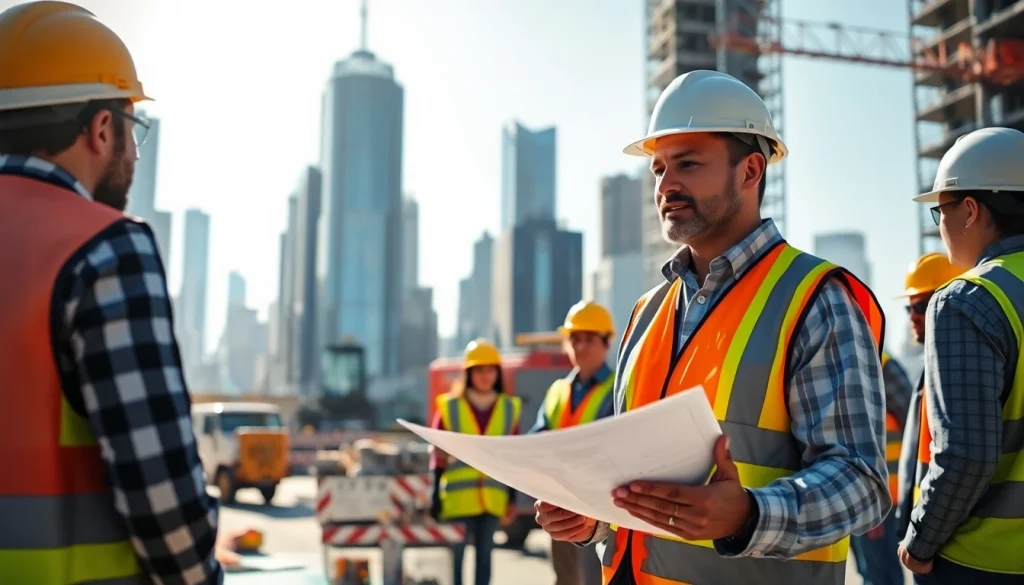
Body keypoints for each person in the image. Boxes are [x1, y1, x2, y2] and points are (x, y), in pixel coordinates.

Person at [533, 69, 890, 585]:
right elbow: (631, 482)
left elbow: (862, 485)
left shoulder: (814, 298)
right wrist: (590, 516)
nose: (665, 185)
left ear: (750, 171)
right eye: (658, 170)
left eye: (689, 164)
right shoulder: (647, 312)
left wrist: (749, 515)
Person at [0, 2, 226, 584]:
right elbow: (167, 514)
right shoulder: (105, 250)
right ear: (101, 129)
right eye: (133, 131)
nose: (131, 151)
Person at [898, 126, 1024, 584]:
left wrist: (919, 541)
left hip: (983, 564)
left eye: (940, 212)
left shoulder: (967, 299)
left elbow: (965, 456)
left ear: (970, 210)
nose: (941, 228)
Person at [530, 301, 617, 585]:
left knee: (598, 578)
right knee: (565, 579)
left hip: (601, 508)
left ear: (606, 343)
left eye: (589, 339)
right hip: (559, 504)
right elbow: (538, 436)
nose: (580, 346)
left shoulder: (619, 388)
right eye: (575, 339)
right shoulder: (557, 390)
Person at [430, 339, 522, 585]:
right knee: (455, 562)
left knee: (485, 562)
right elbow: (438, 454)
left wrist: (512, 499)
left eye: (490, 369)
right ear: (469, 373)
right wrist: (434, 493)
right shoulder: (450, 406)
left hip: (493, 499)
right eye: (479, 369)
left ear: (497, 373)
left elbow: (512, 458)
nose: (485, 375)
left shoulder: (509, 407)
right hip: (458, 501)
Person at [892, 253, 964, 542]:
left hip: (942, 539)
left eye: (921, 305)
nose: (913, 315)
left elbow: (959, 460)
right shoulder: (930, 369)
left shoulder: (956, 369)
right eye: (909, 307)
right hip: (926, 532)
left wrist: (924, 537)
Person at [849, 349, 913, 585]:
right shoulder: (840, 363)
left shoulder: (879, 365)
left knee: (881, 575)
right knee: (872, 572)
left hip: (878, 495)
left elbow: (913, 421)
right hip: (856, 495)